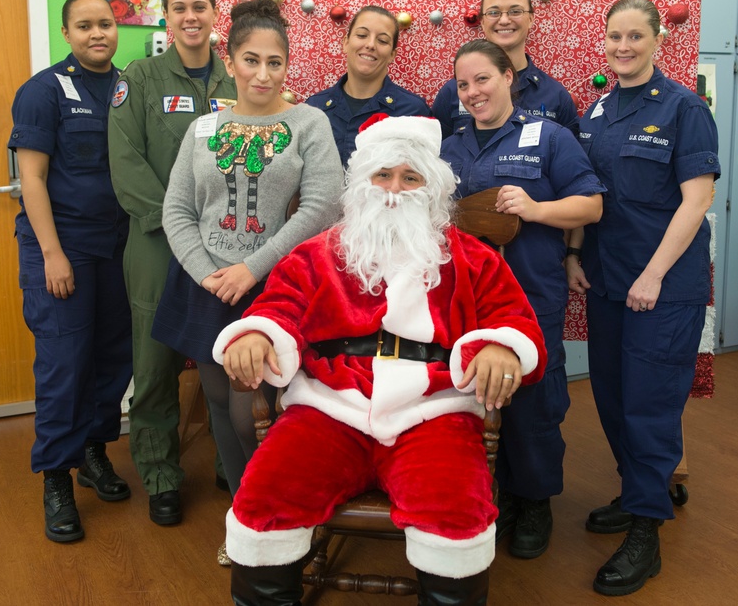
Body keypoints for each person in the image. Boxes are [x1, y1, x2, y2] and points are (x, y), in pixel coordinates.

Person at [216, 114, 547, 606]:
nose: (395, 190)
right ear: (362, 183)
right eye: (384, 175)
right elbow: (277, 307)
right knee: (265, 498)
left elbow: (515, 320)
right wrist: (257, 334)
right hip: (329, 406)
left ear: (430, 188)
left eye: (411, 178)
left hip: (432, 410)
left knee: (455, 513)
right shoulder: (317, 254)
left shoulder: (471, 257)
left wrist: (500, 345)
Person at [155, 0, 344, 560]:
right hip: (206, 284)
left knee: (253, 413)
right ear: (230, 60)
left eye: (275, 62)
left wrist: (251, 269)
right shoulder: (203, 128)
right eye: (251, 60)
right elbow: (177, 211)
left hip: (273, 287)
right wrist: (212, 273)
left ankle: (281, 518)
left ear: (288, 65)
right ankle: (245, 521)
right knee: (217, 402)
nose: (263, 73)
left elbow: (323, 206)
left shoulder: (309, 122)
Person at [565, 0, 720, 596]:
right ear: (603, 42)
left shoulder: (685, 108)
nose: (623, 47)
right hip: (608, 281)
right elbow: (588, 191)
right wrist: (575, 254)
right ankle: (637, 497)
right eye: (614, 37)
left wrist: (653, 274)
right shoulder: (598, 109)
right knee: (610, 397)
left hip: (663, 287)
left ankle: (647, 532)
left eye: (635, 36)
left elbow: (697, 199)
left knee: (650, 406)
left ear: (658, 40)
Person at [439, 39, 605, 561]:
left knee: (533, 400)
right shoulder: (450, 147)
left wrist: (534, 209)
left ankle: (535, 500)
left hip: (531, 294)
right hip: (464, 299)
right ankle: (499, 496)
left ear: (509, 77)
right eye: (463, 85)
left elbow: (592, 205)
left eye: (482, 79)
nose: (472, 93)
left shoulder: (549, 137)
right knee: (474, 396)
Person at [108, 0, 237, 525]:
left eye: (200, 7)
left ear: (214, 14)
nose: (190, 16)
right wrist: (178, 223)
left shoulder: (237, 78)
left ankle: (234, 465)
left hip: (227, 246)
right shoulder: (139, 78)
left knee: (226, 356)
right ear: (165, 17)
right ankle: (160, 473)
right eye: (179, 8)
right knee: (156, 362)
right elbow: (126, 159)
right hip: (159, 242)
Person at [9, 0, 132, 543]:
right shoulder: (42, 92)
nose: (97, 34)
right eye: (84, 26)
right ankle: (55, 476)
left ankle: (94, 452)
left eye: (105, 24)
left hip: (118, 244)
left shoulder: (131, 86)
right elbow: (31, 178)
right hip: (61, 245)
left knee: (114, 354)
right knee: (64, 362)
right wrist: (54, 254)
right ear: (67, 33)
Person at [432, 0, 579, 139]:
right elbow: (434, 158)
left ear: (531, 19)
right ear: (482, 22)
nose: (504, 20)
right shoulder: (453, 92)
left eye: (515, 11)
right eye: (494, 12)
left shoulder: (556, 96)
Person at [306, 5, 430, 166]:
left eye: (382, 40)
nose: (371, 45)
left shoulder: (413, 111)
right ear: (345, 42)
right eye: (362, 35)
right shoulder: (314, 108)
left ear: (392, 54)